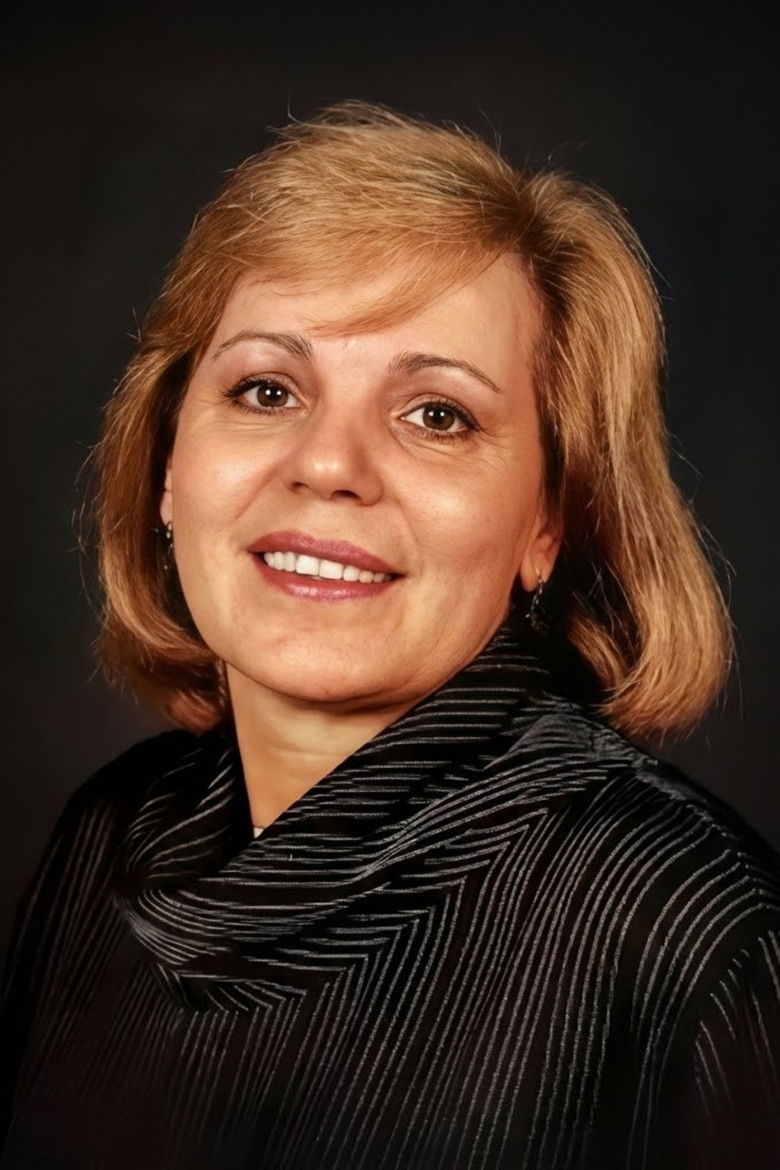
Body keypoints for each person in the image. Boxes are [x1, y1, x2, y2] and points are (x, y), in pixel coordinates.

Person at [1, 102, 778, 1170]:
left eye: (437, 414)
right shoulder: (107, 839)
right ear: (170, 465)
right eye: (266, 389)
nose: (329, 465)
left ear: (547, 524)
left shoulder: (691, 931)